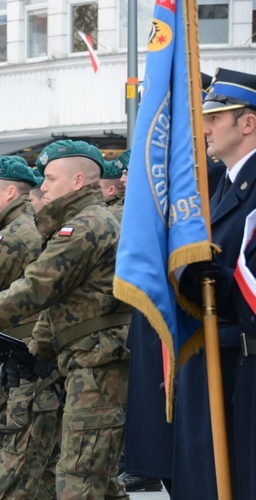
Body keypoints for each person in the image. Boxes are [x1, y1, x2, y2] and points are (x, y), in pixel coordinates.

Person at [0, 140, 129, 498]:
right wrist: (35, 353)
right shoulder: (76, 222)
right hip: (79, 358)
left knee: (81, 475)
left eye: (50, 179)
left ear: (77, 181)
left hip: (97, 361)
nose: (42, 187)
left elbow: (35, 288)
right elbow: (56, 302)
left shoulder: (87, 226)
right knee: (89, 474)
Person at [173, 67, 256, 499]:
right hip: (213, 359)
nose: (202, 127)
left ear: (248, 123)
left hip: (243, 364)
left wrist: (217, 278)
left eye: (215, 117)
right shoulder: (215, 185)